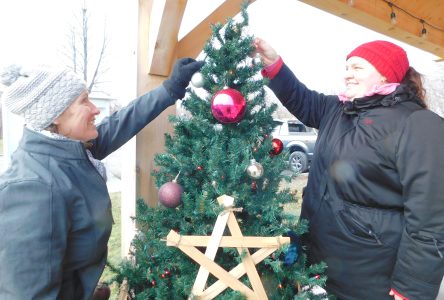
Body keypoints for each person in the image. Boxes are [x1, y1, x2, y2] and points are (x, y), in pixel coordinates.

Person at [254, 38, 444, 300]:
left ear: (385, 72)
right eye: (346, 68)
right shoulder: (336, 110)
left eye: (357, 68)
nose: (347, 75)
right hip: (319, 262)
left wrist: (411, 288)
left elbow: (430, 218)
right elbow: (300, 98)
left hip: (369, 277)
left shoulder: (418, 124)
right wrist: (274, 65)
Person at [0, 58, 203, 299]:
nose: (96, 109)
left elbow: (118, 124)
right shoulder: (34, 189)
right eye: (84, 101)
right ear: (55, 115)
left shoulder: (68, 150)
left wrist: (170, 89)